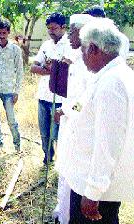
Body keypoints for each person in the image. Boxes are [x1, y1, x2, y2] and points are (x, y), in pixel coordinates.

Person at [64, 19, 134, 223]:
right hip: (86, 180)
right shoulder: (106, 74)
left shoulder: (112, 83)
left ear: (93, 48)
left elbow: (108, 144)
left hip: (94, 188)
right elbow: (82, 103)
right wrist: (65, 110)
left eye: (83, 49)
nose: (82, 56)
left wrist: (92, 193)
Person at [53, 14, 94, 224]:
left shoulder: (90, 64)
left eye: (72, 31)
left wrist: (65, 110)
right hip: (68, 123)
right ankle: (61, 213)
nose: (68, 35)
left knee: (71, 174)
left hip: (78, 125)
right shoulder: (75, 58)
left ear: (83, 33)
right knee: (63, 170)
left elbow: (84, 101)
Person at [30, 13, 72, 164]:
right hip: (43, 96)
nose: (50, 31)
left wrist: (49, 68)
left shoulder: (70, 45)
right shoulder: (46, 45)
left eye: (54, 28)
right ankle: (47, 158)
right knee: (44, 133)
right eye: (48, 28)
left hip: (60, 99)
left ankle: (62, 164)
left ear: (63, 27)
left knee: (58, 134)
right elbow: (33, 67)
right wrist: (53, 69)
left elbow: (67, 71)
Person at [0, 20, 23, 152]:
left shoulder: (15, 49)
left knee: (11, 119)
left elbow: (20, 71)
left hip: (9, 90)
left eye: (4, 33)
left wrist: (17, 91)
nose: (2, 35)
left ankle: (17, 145)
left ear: (8, 32)